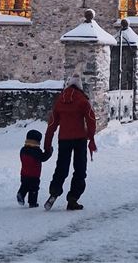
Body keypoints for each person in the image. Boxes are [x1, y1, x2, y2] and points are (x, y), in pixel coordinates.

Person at [43, 73, 97, 211]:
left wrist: (47, 144)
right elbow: (91, 118)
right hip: (79, 139)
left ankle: (54, 192)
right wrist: (91, 137)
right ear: (79, 85)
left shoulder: (60, 100)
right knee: (79, 169)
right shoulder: (83, 100)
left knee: (61, 167)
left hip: (64, 139)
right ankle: (73, 198)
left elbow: (52, 123)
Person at [17, 128, 51, 208]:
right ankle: (32, 203)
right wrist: (49, 152)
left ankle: (21, 194)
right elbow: (43, 158)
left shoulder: (23, 149)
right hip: (34, 174)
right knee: (34, 188)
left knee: (24, 185)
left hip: (24, 173)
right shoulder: (36, 151)